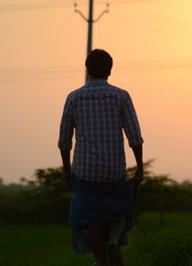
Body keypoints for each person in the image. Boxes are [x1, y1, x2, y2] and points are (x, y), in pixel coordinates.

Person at [58, 49, 144, 266]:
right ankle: (114, 240)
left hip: (85, 172)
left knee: (93, 217)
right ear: (110, 70)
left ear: (87, 70)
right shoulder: (121, 96)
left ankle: (102, 261)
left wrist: (67, 171)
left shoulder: (74, 97)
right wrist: (140, 167)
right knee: (121, 208)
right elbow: (134, 136)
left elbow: (64, 140)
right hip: (114, 169)